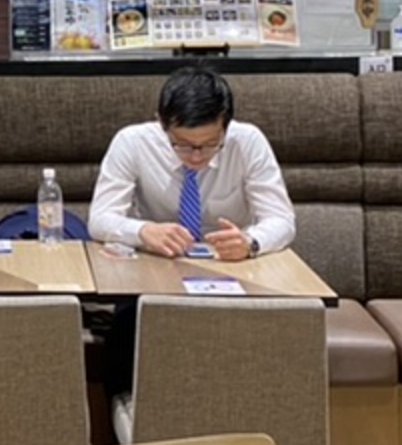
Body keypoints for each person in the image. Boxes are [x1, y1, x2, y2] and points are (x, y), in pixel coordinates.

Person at [88, 67, 296, 396]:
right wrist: (143, 231)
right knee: (128, 328)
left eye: (211, 144)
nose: (197, 156)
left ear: (226, 126)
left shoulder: (248, 142)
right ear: (161, 123)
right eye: (183, 145)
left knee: (269, 329)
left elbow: (282, 219)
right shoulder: (132, 142)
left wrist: (250, 242)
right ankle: (129, 417)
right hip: (156, 268)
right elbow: (100, 218)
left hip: (232, 269)